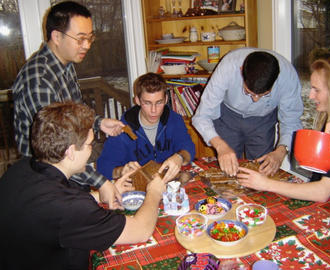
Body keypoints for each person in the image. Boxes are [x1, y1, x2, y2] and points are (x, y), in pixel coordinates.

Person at [0, 102, 166, 270]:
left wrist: (102, 193)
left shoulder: (22, 167)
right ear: (70, 152)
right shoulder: (69, 207)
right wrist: (154, 191)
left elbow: (54, 212)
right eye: (89, 144)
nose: (91, 150)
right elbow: (141, 231)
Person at [11, 1, 124, 208]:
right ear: (56, 36)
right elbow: (57, 152)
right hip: (43, 182)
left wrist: (98, 122)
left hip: (68, 173)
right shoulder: (38, 79)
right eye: (80, 39)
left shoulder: (65, 65)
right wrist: (102, 182)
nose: (87, 45)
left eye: (90, 38)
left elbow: (72, 116)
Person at [237, 56, 330, 209]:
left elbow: (322, 192)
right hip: (328, 205)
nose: (310, 96)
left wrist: (266, 184)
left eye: (316, 90)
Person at [192, 48, 303, 177]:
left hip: (263, 121)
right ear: (241, 71)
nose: (255, 100)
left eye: (264, 95)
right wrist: (221, 147)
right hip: (228, 117)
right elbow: (202, 116)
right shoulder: (228, 66)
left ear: (276, 80)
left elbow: (291, 120)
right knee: (228, 171)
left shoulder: (288, 77)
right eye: (248, 92)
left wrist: (281, 152)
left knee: (262, 172)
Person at [97, 72, 195, 183]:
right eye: (147, 103)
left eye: (159, 102)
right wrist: (121, 171)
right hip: (139, 187)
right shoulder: (123, 128)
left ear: (166, 99)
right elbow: (102, 167)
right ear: (137, 100)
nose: (154, 110)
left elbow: (189, 147)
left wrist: (180, 157)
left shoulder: (174, 120)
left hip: (169, 184)